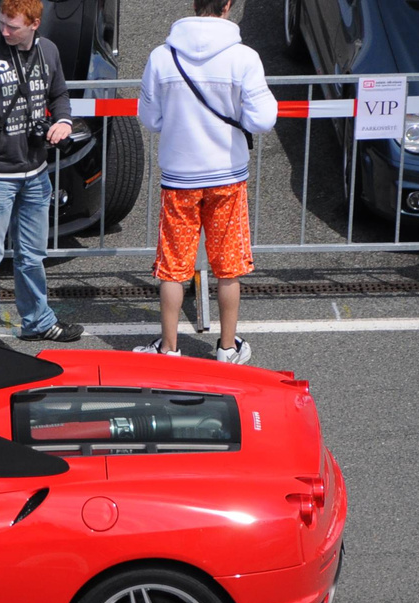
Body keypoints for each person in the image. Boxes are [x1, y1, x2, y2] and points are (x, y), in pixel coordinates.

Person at [133, 0, 276, 363]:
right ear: (228, 5)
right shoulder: (244, 57)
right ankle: (227, 348)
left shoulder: (162, 57)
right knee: (228, 267)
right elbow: (262, 119)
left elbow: (149, 118)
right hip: (227, 176)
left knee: (172, 266)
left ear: (194, 5)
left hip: (179, 177)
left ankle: (169, 349)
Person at [0, 0, 84, 348]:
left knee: (33, 255)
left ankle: (37, 321)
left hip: (35, 173)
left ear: (35, 23)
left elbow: (60, 93)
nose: (4, 31)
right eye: (1, 23)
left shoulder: (48, 51)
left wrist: (63, 120)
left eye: (13, 26)